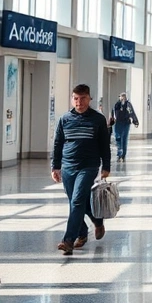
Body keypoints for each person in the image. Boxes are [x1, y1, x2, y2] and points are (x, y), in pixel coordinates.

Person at [52, 84, 111, 256]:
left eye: (83, 98)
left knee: (77, 200)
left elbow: (104, 145)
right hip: (68, 166)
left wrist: (106, 166)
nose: (79, 102)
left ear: (89, 99)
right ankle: (92, 225)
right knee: (76, 202)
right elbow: (58, 144)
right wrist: (55, 166)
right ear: (72, 99)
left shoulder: (98, 119)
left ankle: (68, 240)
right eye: (76, 99)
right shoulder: (64, 119)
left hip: (89, 166)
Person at [110, 93, 139, 162]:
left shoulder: (128, 105)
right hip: (117, 124)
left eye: (123, 97)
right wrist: (111, 122)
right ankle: (119, 154)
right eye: (121, 97)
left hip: (126, 123)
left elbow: (131, 113)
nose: (122, 98)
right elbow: (113, 114)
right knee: (118, 138)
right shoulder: (116, 105)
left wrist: (135, 121)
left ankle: (123, 155)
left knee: (124, 139)